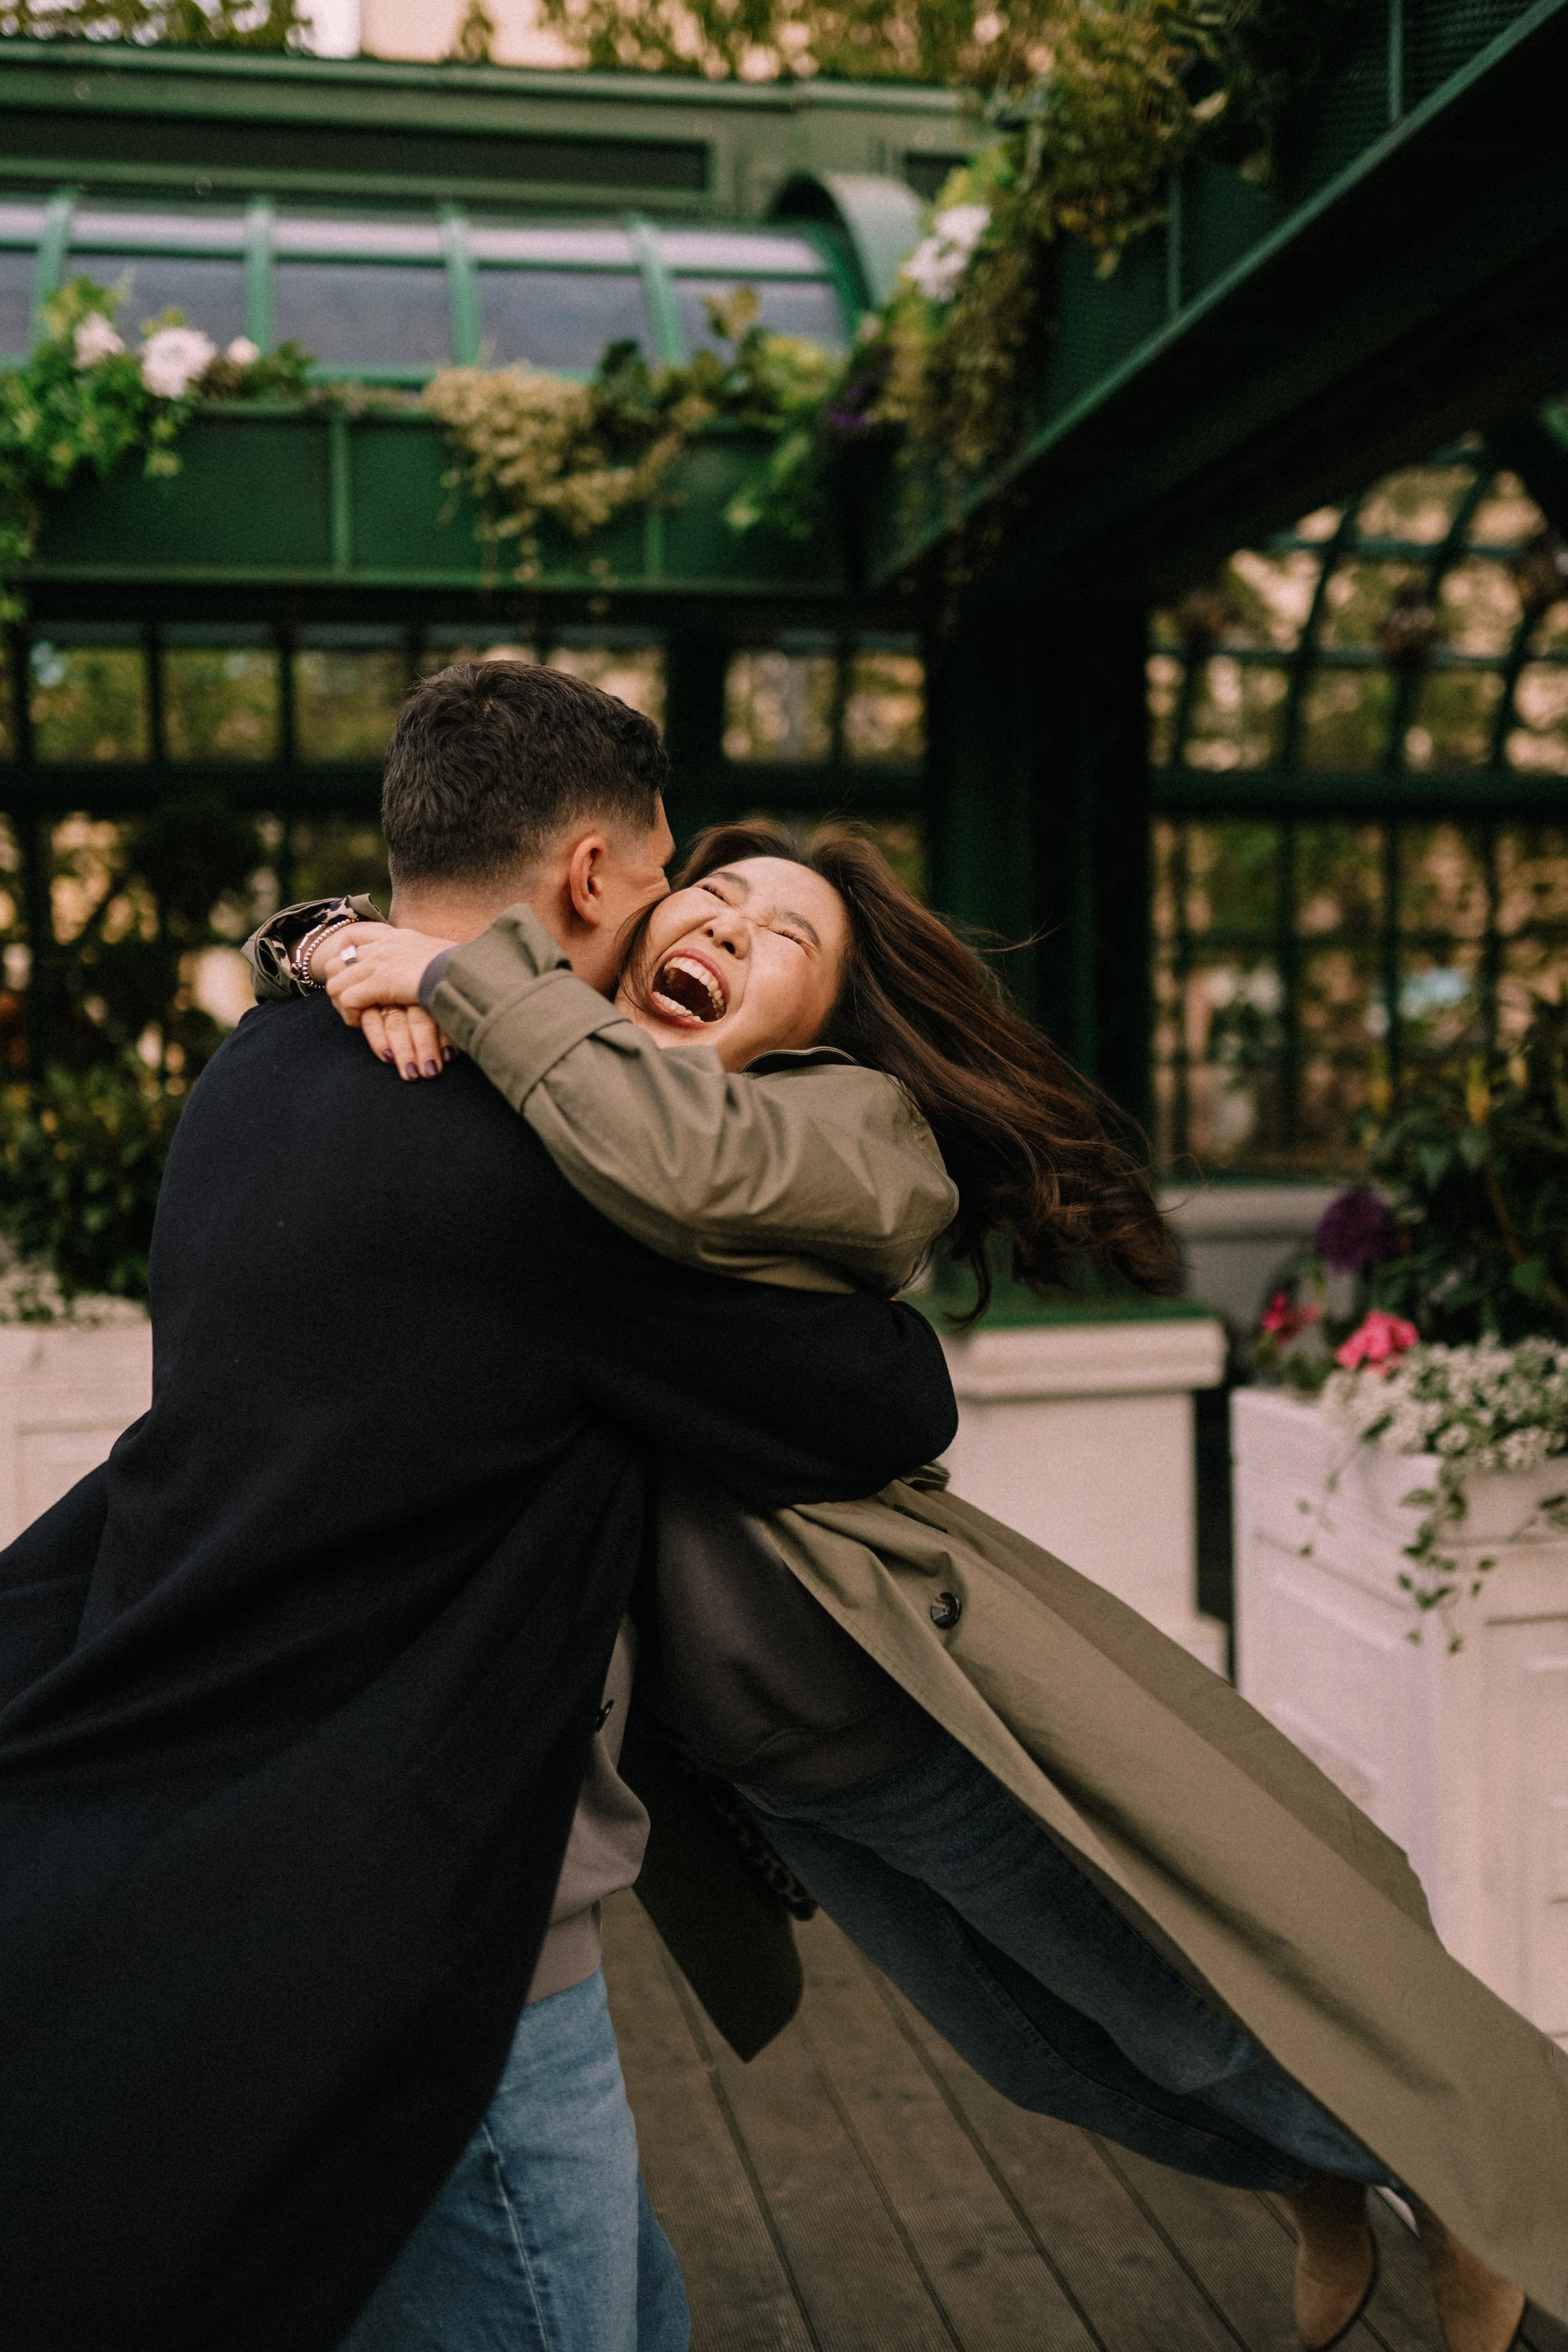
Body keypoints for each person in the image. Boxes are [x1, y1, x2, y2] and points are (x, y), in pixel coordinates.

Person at [264, 805, 1568, 2352]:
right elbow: (406, 958)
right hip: (759, 1765)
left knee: (1175, 2015)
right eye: (715, 899)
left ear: (826, 1023)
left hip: (898, 1703)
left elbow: (679, 1165)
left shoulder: (836, 1124)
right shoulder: (560, 1082)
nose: (731, 934)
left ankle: (1458, 2201)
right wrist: (324, 938)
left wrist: (449, 973)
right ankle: (1312, 2173)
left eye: (785, 942)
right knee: (1036, 2057)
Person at [0, 670, 959, 2352]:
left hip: (205, 1840)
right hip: (420, 1927)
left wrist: (319, 945)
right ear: (591, 880)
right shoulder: (534, 1181)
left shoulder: (258, 1072)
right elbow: (881, 1396)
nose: (679, 918)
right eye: (666, 881)